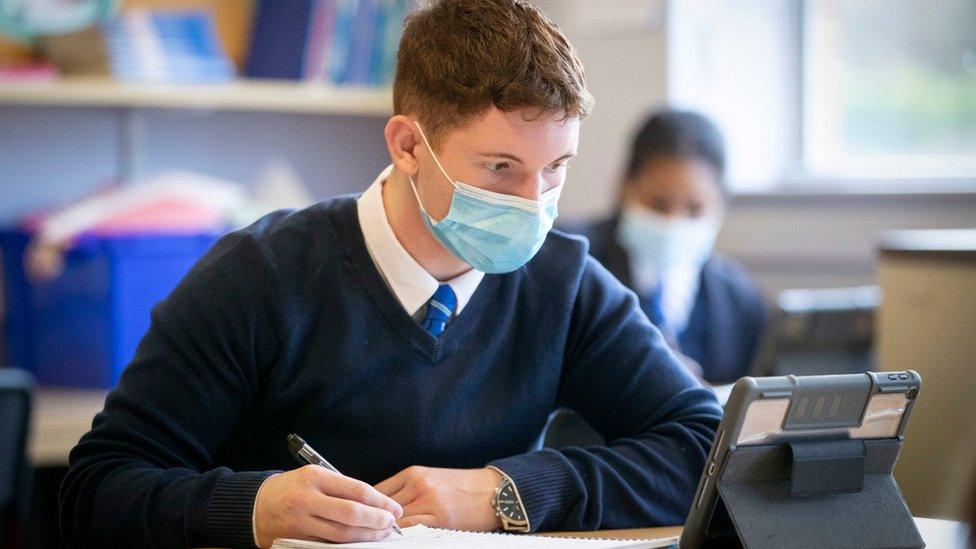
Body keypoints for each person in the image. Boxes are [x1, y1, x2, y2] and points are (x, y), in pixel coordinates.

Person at [59, 2, 722, 548]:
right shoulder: (258, 277)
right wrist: (254, 506)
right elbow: (96, 487)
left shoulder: (564, 282)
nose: (532, 203)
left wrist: (503, 492)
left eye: (556, 168)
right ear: (407, 145)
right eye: (500, 169)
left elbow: (702, 446)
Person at [569, 110, 766, 385]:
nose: (674, 222)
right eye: (658, 204)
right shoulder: (570, 262)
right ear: (625, 187)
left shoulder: (739, 298)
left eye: (694, 209)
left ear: (721, 204)